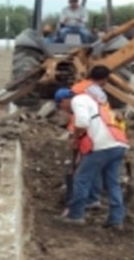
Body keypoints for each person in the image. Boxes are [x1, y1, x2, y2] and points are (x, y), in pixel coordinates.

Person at [55, 66, 129, 229]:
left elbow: (82, 122)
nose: (65, 111)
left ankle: (76, 215)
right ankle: (116, 219)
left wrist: (75, 138)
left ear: (64, 100)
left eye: (62, 107)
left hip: (102, 145)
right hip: (118, 143)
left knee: (81, 179)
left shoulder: (77, 99)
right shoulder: (95, 99)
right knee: (112, 183)